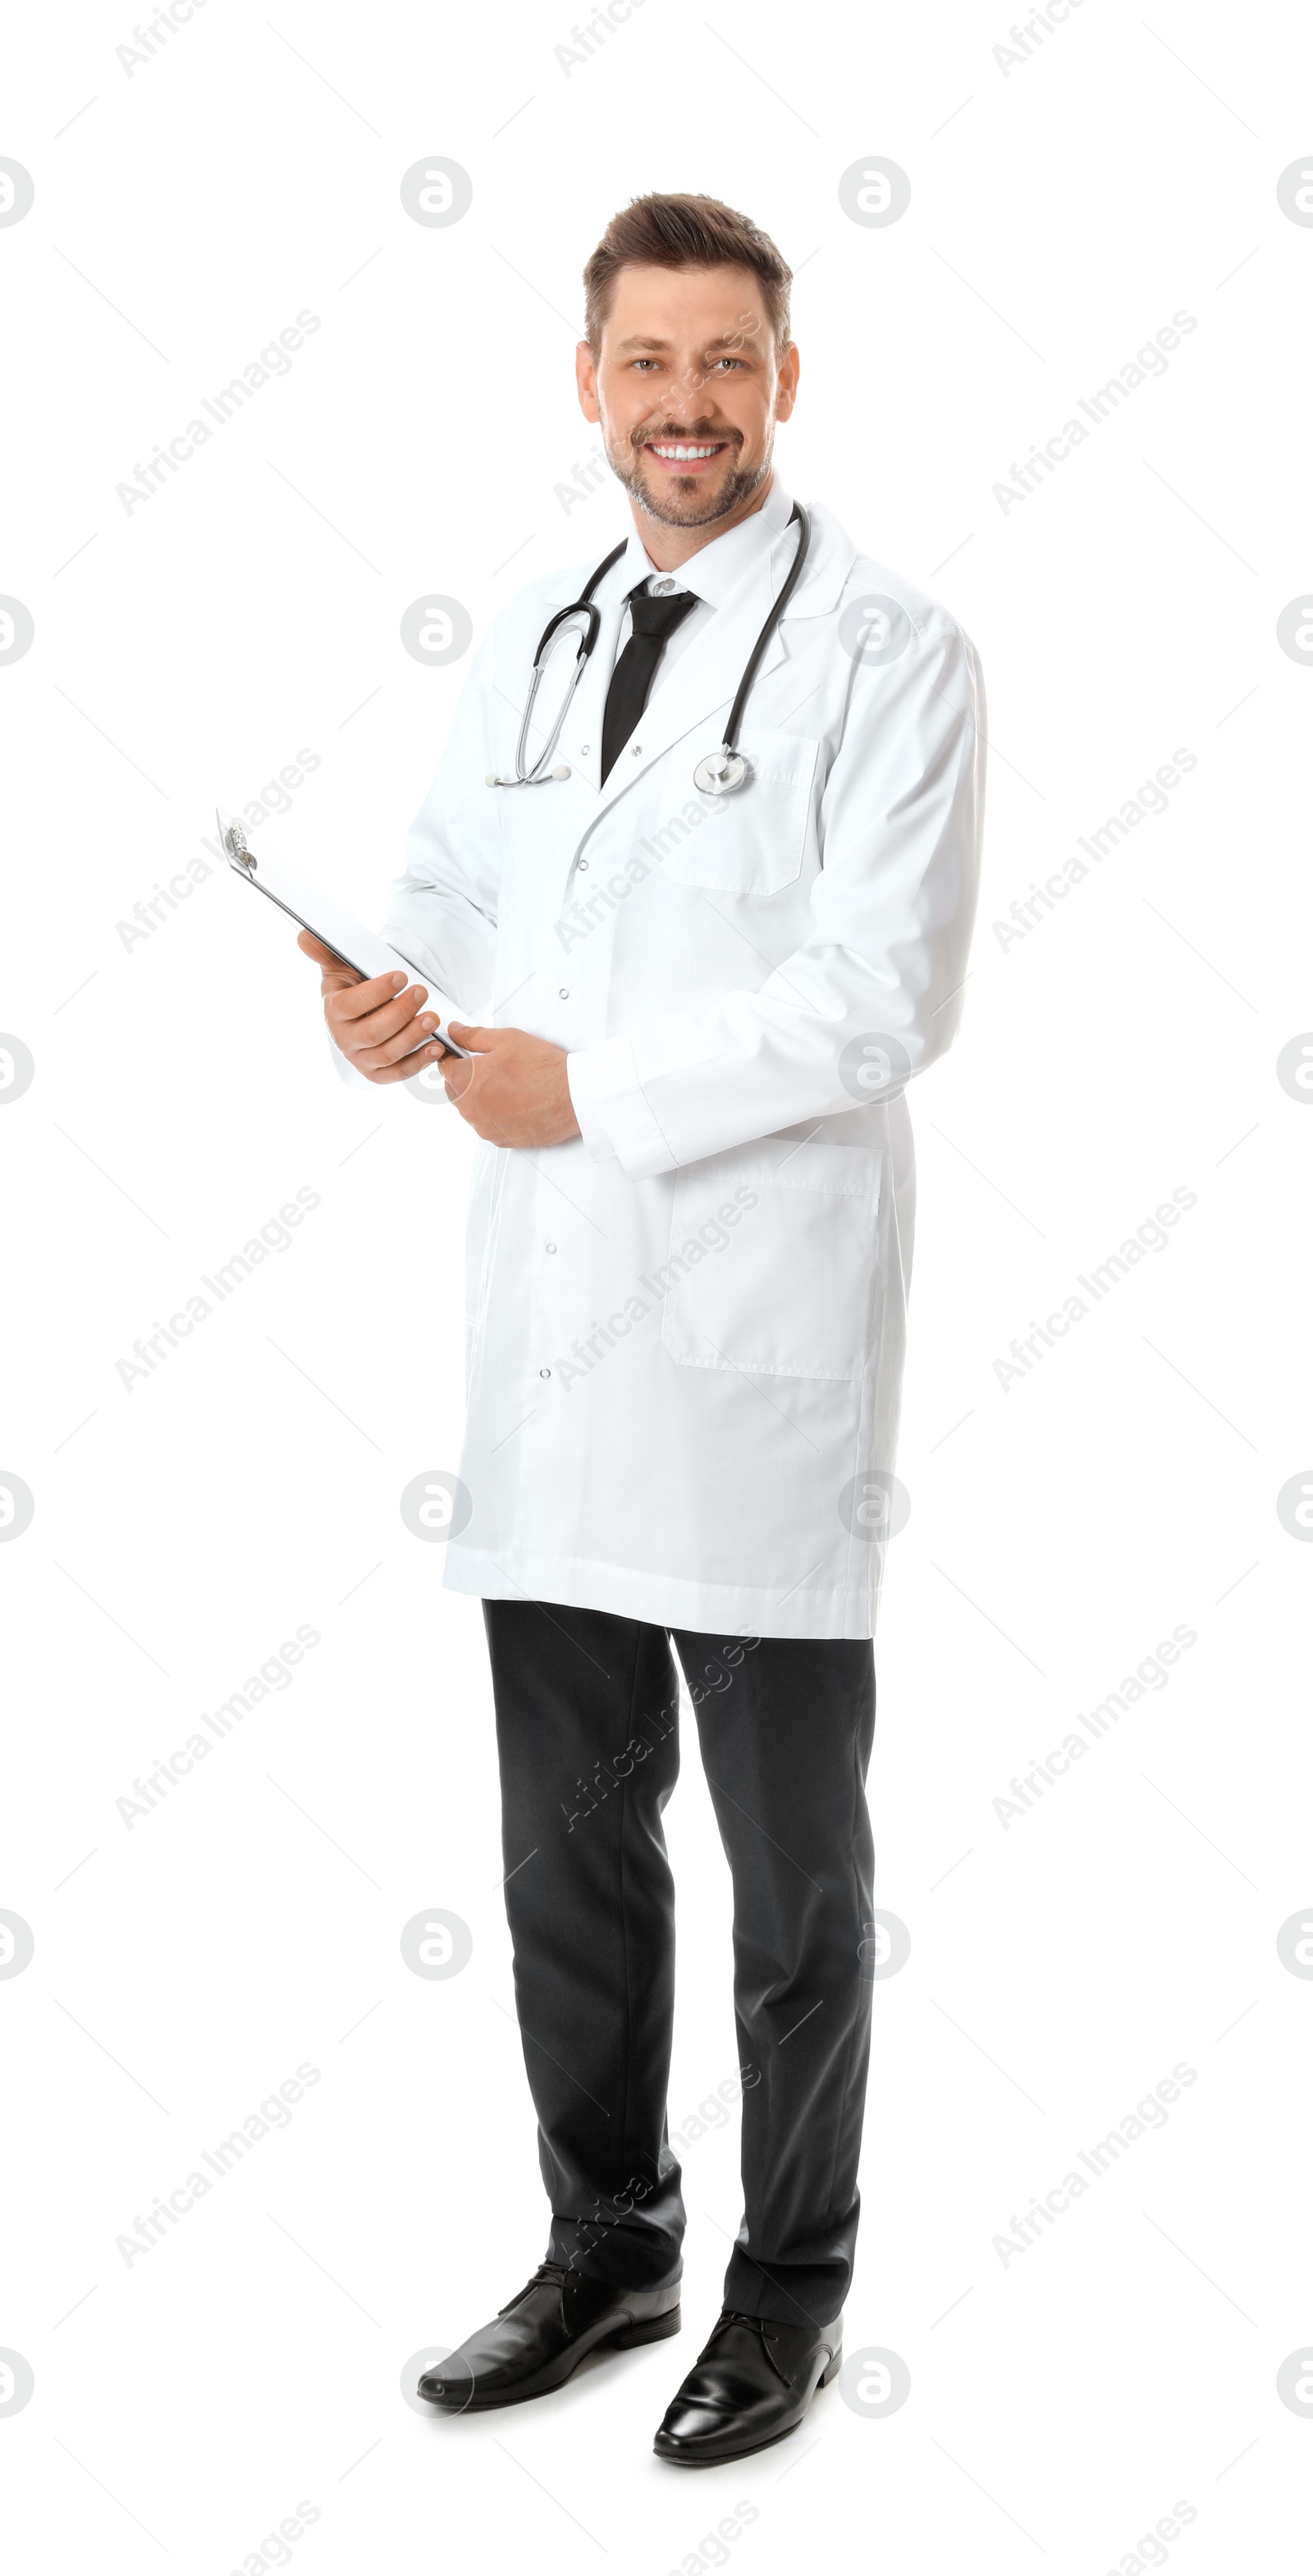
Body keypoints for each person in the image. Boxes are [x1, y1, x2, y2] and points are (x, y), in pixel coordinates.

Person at [300, 191, 985, 2466]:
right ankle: (611, 2242)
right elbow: (452, 885)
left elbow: (883, 999)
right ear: (589, 383)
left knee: (798, 1877)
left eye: (726, 361)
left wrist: (583, 1090)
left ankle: (786, 2288)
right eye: (646, 364)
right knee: (569, 1845)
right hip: (552, 1349)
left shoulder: (893, 650)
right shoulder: (536, 619)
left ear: (787, 378)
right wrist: (387, 999)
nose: (685, 405)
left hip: (758, 1356)